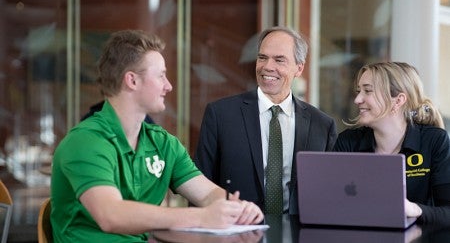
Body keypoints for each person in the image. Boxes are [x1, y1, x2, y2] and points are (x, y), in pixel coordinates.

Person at [50, 30, 264, 243]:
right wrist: (201, 217)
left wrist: (235, 207)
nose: (168, 86)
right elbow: (110, 215)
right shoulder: (85, 141)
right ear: (132, 81)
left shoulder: (163, 143)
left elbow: (207, 194)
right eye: (161, 75)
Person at [193, 26, 337, 215]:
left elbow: (330, 194)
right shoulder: (220, 115)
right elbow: (198, 185)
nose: (268, 66)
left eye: (279, 60)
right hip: (234, 230)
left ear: (299, 68)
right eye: (262, 57)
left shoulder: (322, 126)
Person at [333, 61, 450, 225]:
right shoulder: (348, 142)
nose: (358, 99)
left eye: (368, 91)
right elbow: (332, 205)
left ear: (398, 100)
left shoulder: (435, 141)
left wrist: (414, 209)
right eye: (359, 91)